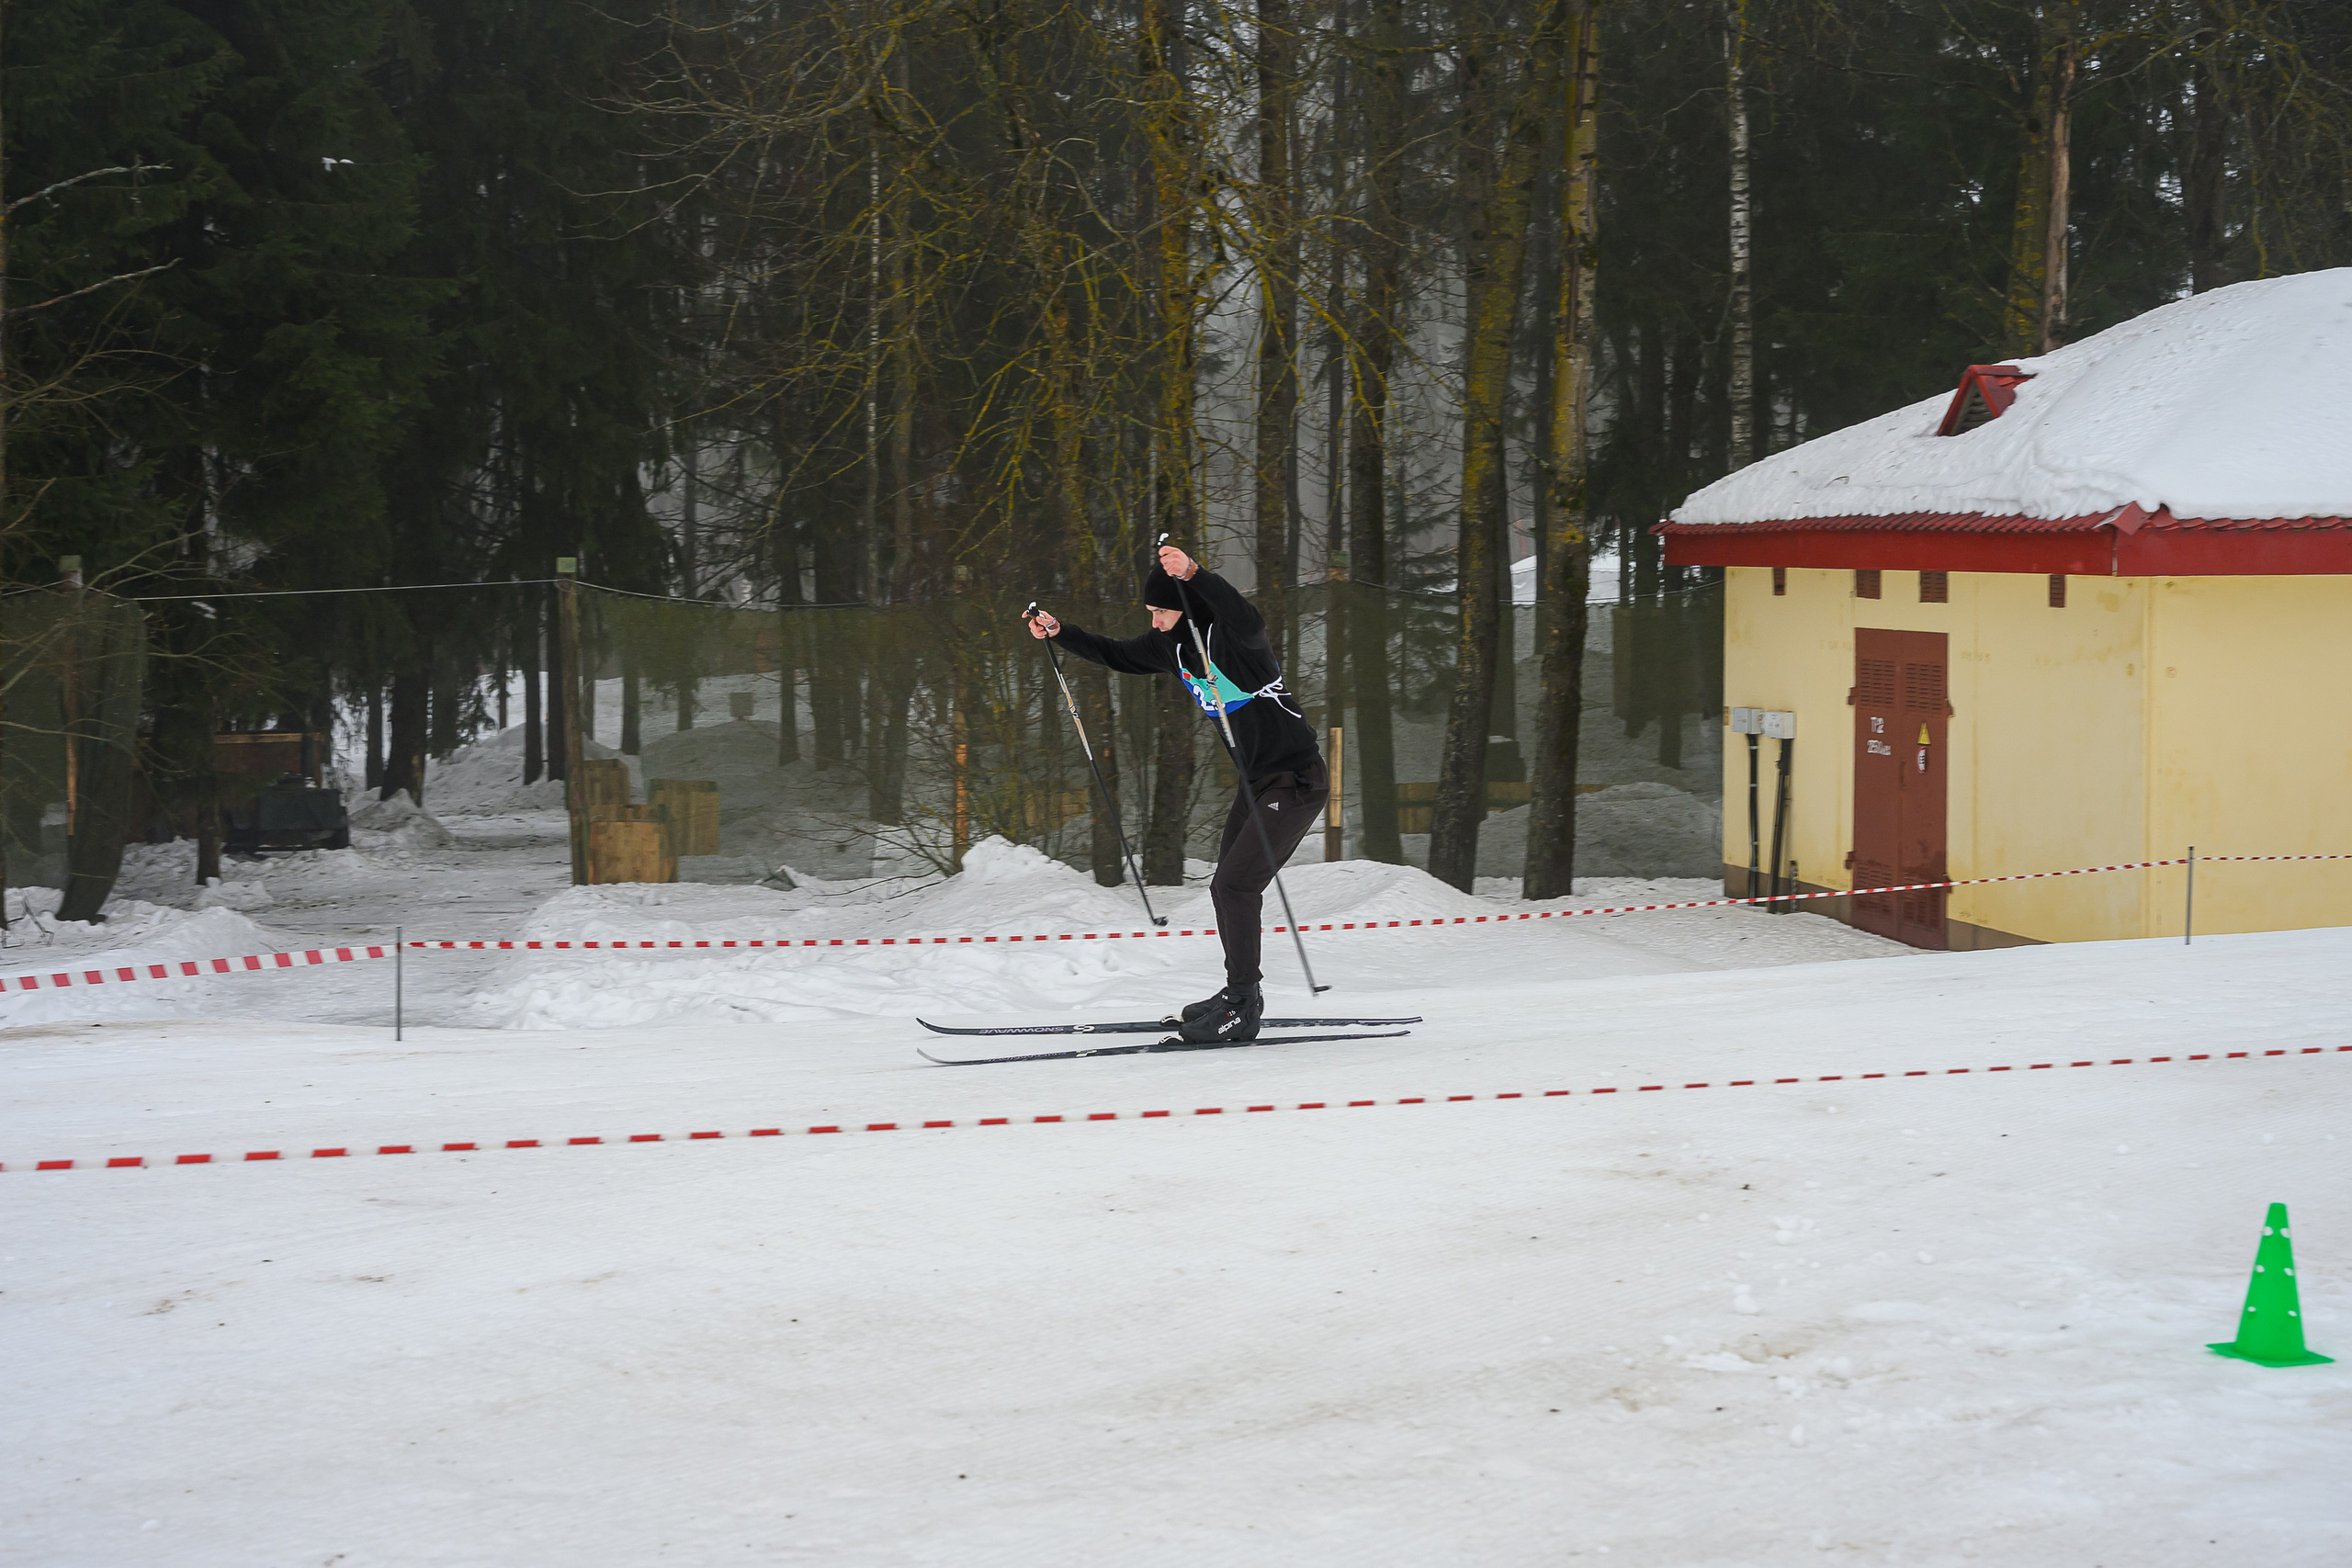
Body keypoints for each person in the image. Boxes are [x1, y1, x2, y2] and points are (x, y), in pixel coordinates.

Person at [1029, 543, 1328, 1042]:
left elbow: (1249, 618)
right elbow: (1117, 654)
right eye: (1150, 612)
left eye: (1162, 611)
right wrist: (1062, 633)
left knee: (1235, 885)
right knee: (1225, 887)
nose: (1155, 621)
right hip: (1258, 782)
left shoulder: (1231, 638)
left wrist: (1194, 574)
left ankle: (1241, 1006)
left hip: (1296, 780)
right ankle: (1240, 994)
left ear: (1185, 607)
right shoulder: (1170, 645)